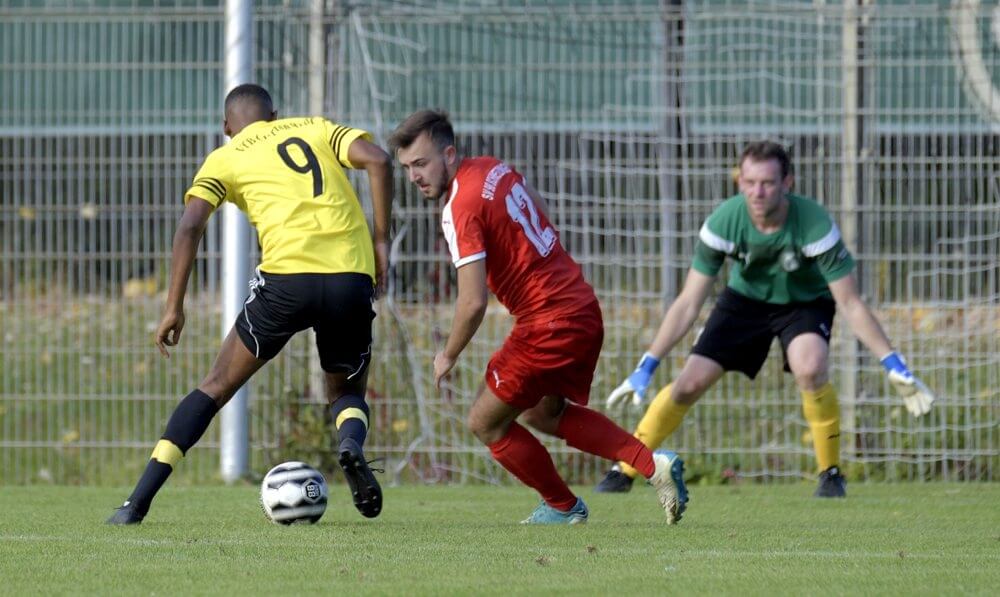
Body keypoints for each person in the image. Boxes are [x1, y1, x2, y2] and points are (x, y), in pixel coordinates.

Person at [107, 84, 393, 524]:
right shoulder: (316, 128)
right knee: (347, 391)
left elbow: (189, 227)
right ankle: (350, 446)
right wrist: (380, 241)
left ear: (226, 127)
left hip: (287, 284)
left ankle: (136, 503)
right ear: (275, 116)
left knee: (215, 385)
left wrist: (173, 306)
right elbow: (378, 159)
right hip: (350, 278)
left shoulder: (227, 156)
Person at [390, 109, 688, 524]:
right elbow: (539, 208)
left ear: (449, 154)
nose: (414, 177)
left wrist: (448, 355)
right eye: (406, 168)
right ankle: (652, 465)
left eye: (421, 164)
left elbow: (472, 302)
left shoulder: (460, 206)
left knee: (485, 422)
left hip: (548, 321)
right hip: (581, 307)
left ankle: (563, 506)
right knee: (541, 413)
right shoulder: (494, 169)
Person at [597, 141, 936, 498]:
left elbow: (850, 303)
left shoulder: (815, 224)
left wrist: (893, 362)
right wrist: (647, 365)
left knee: (810, 367)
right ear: (739, 181)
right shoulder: (724, 221)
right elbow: (687, 303)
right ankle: (625, 468)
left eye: (768, 183)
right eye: (750, 182)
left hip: (804, 304)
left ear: (787, 182)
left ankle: (831, 473)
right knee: (688, 384)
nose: (758, 192)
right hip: (743, 303)